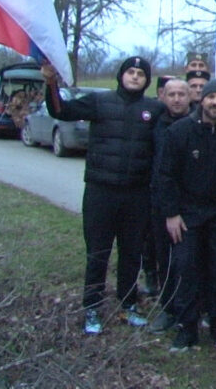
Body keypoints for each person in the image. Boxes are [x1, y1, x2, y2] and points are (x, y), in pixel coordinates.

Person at [41, 57, 163, 335]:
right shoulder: (99, 102)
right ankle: (93, 307)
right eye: (130, 72)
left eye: (140, 74)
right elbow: (61, 110)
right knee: (98, 252)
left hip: (137, 194)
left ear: (146, 80)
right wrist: (50, 82)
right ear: (121, 75)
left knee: (131, 253)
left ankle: (129, 303)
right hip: (100, 192)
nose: (135, 77)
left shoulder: (154, 109)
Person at [159, 78, 216, 352]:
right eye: (211, 98)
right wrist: (171, 213)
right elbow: (165, 176)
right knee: (186, 269)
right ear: (202, 100)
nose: (215, 103)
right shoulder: (179, 131)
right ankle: (187, 327)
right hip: (187, 214)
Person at [148, 78, 192, 333]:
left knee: (189, 262)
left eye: (181, 94)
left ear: (189, 97)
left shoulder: (198, 123)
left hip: (191, 204)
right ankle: (168, 308)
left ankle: (192, 308)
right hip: (161, 202)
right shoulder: (155, 124)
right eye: (171, 94)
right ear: (163, 96)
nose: (176, 99)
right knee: (165, 260)